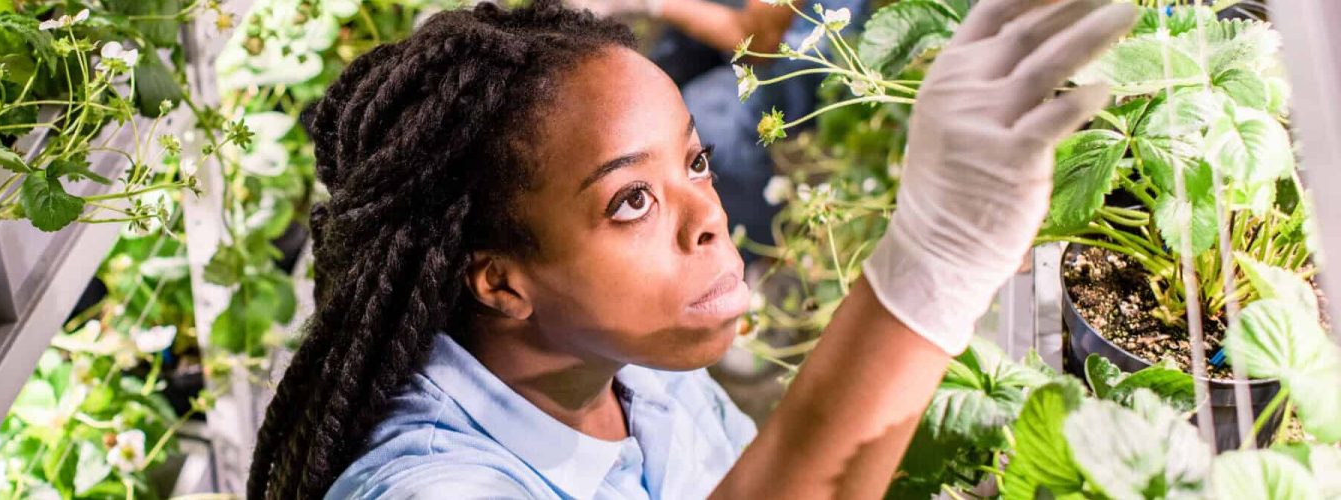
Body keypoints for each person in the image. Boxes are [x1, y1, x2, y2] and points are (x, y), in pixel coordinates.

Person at [247, 0, 1136, 498]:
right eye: (630, 201)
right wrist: (934, 261)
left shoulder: (641, 373)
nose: (707, 218)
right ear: (500, 284)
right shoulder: (429, 490)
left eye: (695, 162)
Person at [565, 0, 867, 255]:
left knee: (708, 118)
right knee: (635, 93)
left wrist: (647, 3)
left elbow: (759, 44)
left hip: (805, 42)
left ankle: (753, 250)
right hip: (730, 16)